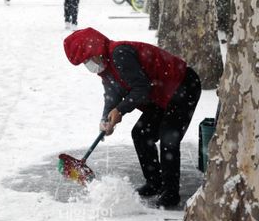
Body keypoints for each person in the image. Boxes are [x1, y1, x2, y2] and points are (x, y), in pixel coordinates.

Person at [63, 27, 201, 207]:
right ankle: (154, 182)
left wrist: (120, 111)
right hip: (159, 93)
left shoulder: (119, 54)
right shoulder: (105, 69)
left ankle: (170, 192)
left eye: (87, 59)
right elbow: (112, 95)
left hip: (181, 85)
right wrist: (106, 118)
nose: (88, 65)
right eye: (84, 63)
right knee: (141, 133)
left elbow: (141, 89)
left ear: (96, 50)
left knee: (169, 138)